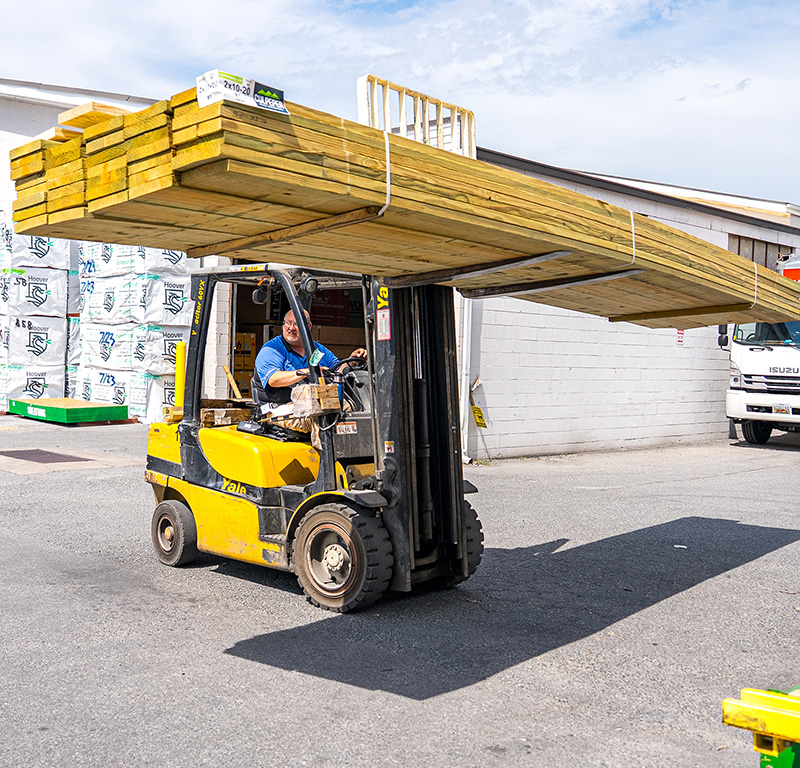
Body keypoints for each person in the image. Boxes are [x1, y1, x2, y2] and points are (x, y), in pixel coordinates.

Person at [254, 309, 366, 407]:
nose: (291, 328)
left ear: (308, 327)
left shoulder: (317, 349)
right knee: (318, 417)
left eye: (297, 324)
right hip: (280, 407)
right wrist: (308, 372)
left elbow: (337, 370)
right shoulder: (272, 349)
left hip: (311, 404)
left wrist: (352, 361)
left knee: (349, 408)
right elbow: (273, 380)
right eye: (288, 323)